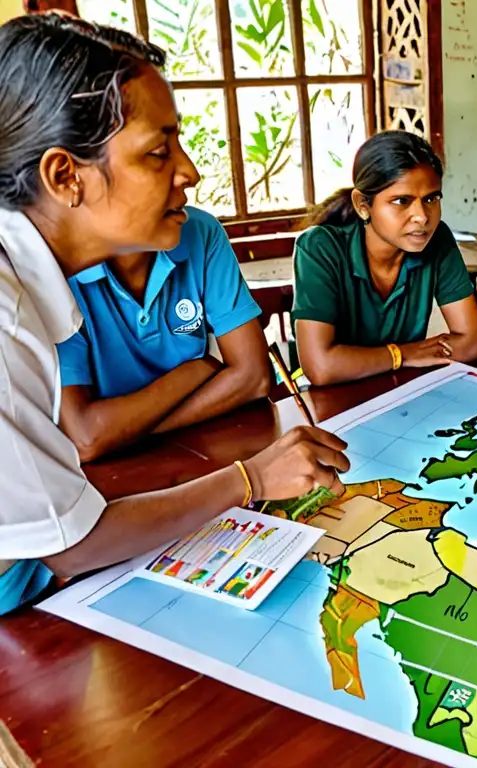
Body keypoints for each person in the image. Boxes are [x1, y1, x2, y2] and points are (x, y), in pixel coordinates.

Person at [0, 14, 349, 616]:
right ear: (66, 177)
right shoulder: (7, 322)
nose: (189, 171)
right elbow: (74, 546)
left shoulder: (34, 284)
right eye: (158, 152)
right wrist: (251, 480)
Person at [56, 205, 269, 463]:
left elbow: (254, 378)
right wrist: (196, 370)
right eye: (156, 162)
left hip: (200, 449)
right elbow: (85, 438)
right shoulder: (59, 267)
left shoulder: (199, 230)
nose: (189, 176)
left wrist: (121, 431)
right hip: (111, 476)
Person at [292, 131, 477, 385]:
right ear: (363, 204)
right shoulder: (320, 247)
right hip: (330, 397)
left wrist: (374, 360)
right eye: (401, 201)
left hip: (398, 390)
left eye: (431, 198)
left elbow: (472, 343)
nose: (422, 217)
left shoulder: (437, 240)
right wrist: (403, 354)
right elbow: (320, 367)